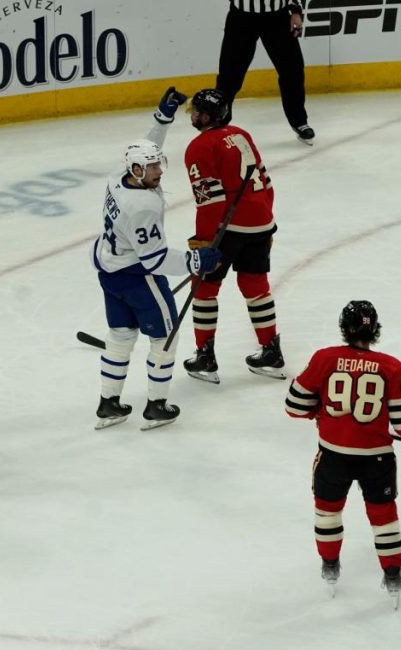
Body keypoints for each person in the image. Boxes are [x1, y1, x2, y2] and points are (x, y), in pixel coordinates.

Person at [285, 300, 401, 605]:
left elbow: (294, 405)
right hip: (377, 458)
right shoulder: (391, 367)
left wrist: (322, 412)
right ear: (375, 330)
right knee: (384, 518)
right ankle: (393, 575)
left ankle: (330, 566)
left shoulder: (324, 358)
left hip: (333, 455)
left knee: (327, 512)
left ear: (345, 328)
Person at [91, 86, 220, 431]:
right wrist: (195, 261)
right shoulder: (142, 206)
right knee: (166, 337)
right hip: (139, 278)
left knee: (120, 336)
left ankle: (109, 403)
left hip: (110, 271)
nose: (159, 170)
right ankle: (156, 406)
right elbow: (155, 260)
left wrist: (162, 120)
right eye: (151, 167)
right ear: (136, 169)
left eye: (157, 164)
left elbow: (147, 147)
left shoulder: (119, 177)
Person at [182, 88, 285, 384]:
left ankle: (205, 357)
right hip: (261, 222)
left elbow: (210, 202)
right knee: (255, 284)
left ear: (208, 117)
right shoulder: (241, 134)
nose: (192, 115)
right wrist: (266, 222)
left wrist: (204, 242)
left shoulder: (199, 147)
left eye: (196, 111)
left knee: (204, 287)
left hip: (230, 229)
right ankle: (271, 351)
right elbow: (265, 182)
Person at [216, 0, 313, 145]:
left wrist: (295, 10)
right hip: (242, 17)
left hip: (277, 17)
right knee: (229, 75)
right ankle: (218, 123)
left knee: (292, 71)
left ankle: (299, 121)